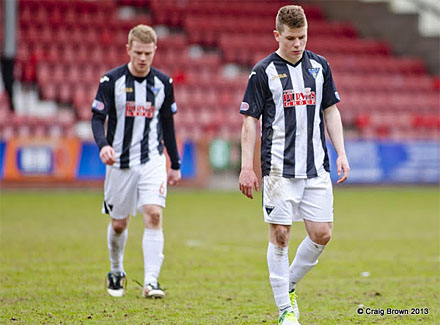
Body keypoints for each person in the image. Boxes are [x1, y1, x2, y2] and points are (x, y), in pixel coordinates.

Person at [238, 5, 350, 325]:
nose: (298, 44)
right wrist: (248, 167)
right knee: (282, 236)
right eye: (290, 38)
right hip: (278, 171)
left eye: (302, 37)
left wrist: (341, 153)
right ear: (277, 36)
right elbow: (250, 122)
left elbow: (331, 110)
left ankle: (285, 286)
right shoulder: (263, 72)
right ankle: (286, 309)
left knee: (322, 234)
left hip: (315, 167)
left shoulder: (320, 66)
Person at [91, 24, 181, 299]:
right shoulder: (111, 81)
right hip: (119, 162)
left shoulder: (164, 84)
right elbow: (97, 119)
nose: (143, 58)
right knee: (119, 224)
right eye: (138, 52)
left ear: (155, 51)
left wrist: (174, 163)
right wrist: (103, 145)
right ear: (128, 50)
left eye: (148, 53)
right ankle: (116, 270)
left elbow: (167, 124)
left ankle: (151, 281)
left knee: (154, 214)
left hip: (152, 159)